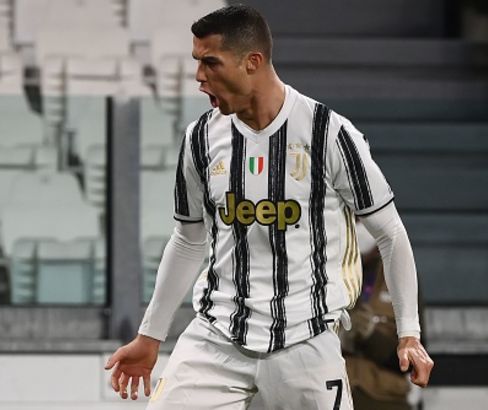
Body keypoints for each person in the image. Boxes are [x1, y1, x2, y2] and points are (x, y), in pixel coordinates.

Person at [104, 5, 434, 409]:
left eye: (210, 62)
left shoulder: (329, 134)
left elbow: (391, 233)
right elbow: (188, 241)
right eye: (197, 62)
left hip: (306, 339)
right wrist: (150, 335)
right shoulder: (200, 138)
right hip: (217, 336)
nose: (199, 76)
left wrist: (409, 333)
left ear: (252, 62)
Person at [340, 224, 425, 410]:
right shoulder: (323, 272)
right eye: (353, 220)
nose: (358, 226)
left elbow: (414, 361)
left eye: (363, 220)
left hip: (384, 397)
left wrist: (371, 335)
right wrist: (338, 338)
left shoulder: (400, 276)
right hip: (333, 391)